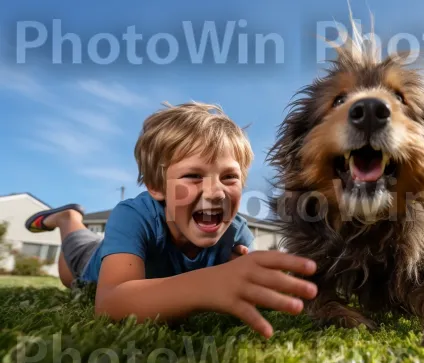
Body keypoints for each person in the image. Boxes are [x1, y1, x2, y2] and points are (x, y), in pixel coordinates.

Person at [24, 101, 318, 339]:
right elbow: (110, 304)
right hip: (89, 260)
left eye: (230, 177)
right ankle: (68, 217)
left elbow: (236, 289)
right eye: (193, 175)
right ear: (157, 186)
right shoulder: (132, 216)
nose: (216, 193)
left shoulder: (237, 234)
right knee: (70, 272)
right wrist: (207, 284)